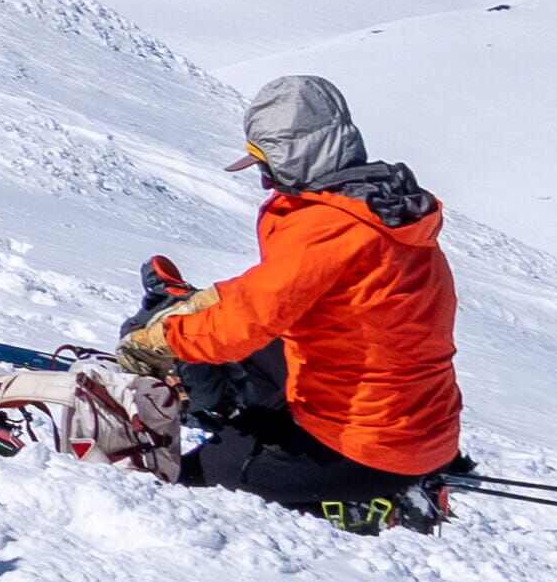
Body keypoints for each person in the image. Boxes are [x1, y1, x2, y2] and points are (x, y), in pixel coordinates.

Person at [118, 74, 465, 530]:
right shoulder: (378, 210)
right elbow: (275, 295)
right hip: (422, 425)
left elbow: (242, 326)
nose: (264, 181)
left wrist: (168, 337)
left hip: (367, 450)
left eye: (266, 165)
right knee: (258, 358)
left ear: (294, 156)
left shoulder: (327, 228)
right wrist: (204, 305)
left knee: (193, 478)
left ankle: (369, 497)